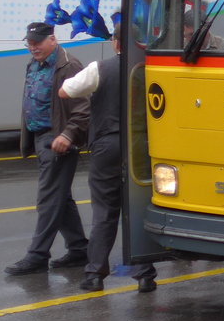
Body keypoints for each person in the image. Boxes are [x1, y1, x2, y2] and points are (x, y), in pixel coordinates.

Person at [59, 22, 157, 293]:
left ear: (115, 43)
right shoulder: (151, 69)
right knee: (137, 208)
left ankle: (94, 275)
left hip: (107, 145)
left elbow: (65, 90)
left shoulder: (99, 68)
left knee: (104, 211)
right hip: (140, 146)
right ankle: (145, 273)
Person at [4, 22, 90, 275]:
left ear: (52, 39)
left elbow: (83, 108)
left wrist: (67, 134)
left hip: (58, 139)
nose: (33, 47)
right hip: (42, 137)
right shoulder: (33, 63)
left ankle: (37, 255)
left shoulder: (68, 65)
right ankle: (78, 249)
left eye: (37, 43)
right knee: (60, 197)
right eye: (29, 43)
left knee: (48, 199)